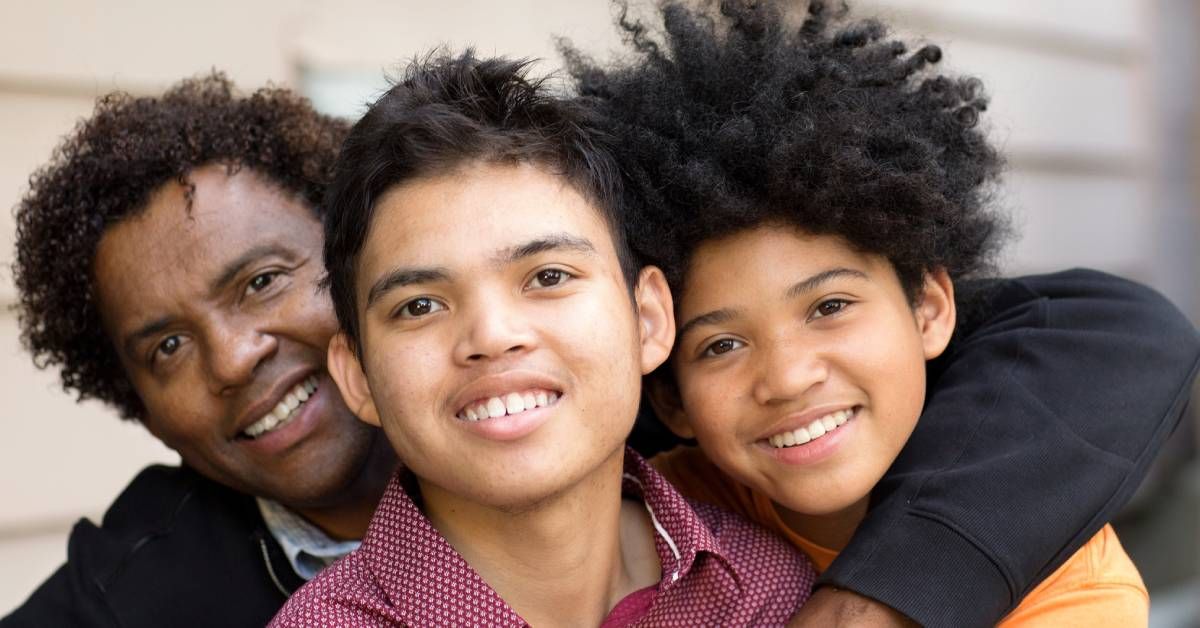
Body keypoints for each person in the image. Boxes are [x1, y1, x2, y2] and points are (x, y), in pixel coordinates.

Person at [3, 50, 1196, 628]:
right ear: (369, 364)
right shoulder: (154, 588)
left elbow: (1106, 330)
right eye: (421, 302)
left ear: (646, 328)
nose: (237, 354)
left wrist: (880, 596)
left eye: (267, 280)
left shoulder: (754, 560)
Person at [566, 1, 1199, 625]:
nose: (788, 378)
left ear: (929, 308)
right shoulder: (639, 518)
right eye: (722, 345)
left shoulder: (1071, 585)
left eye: (830, 306)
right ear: (671, 398)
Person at [271, 50, 816, 627]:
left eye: (548, 277)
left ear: (648, 319)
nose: (493, 335)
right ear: (357, 375)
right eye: (420, 305)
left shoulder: (770, 591)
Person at [4, 74, 398, 627]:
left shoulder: (528, 442)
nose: (233, 358)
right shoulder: (125, 599)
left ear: (357, 258)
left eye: (261, 283)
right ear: (142, 411)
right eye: (169, 347)